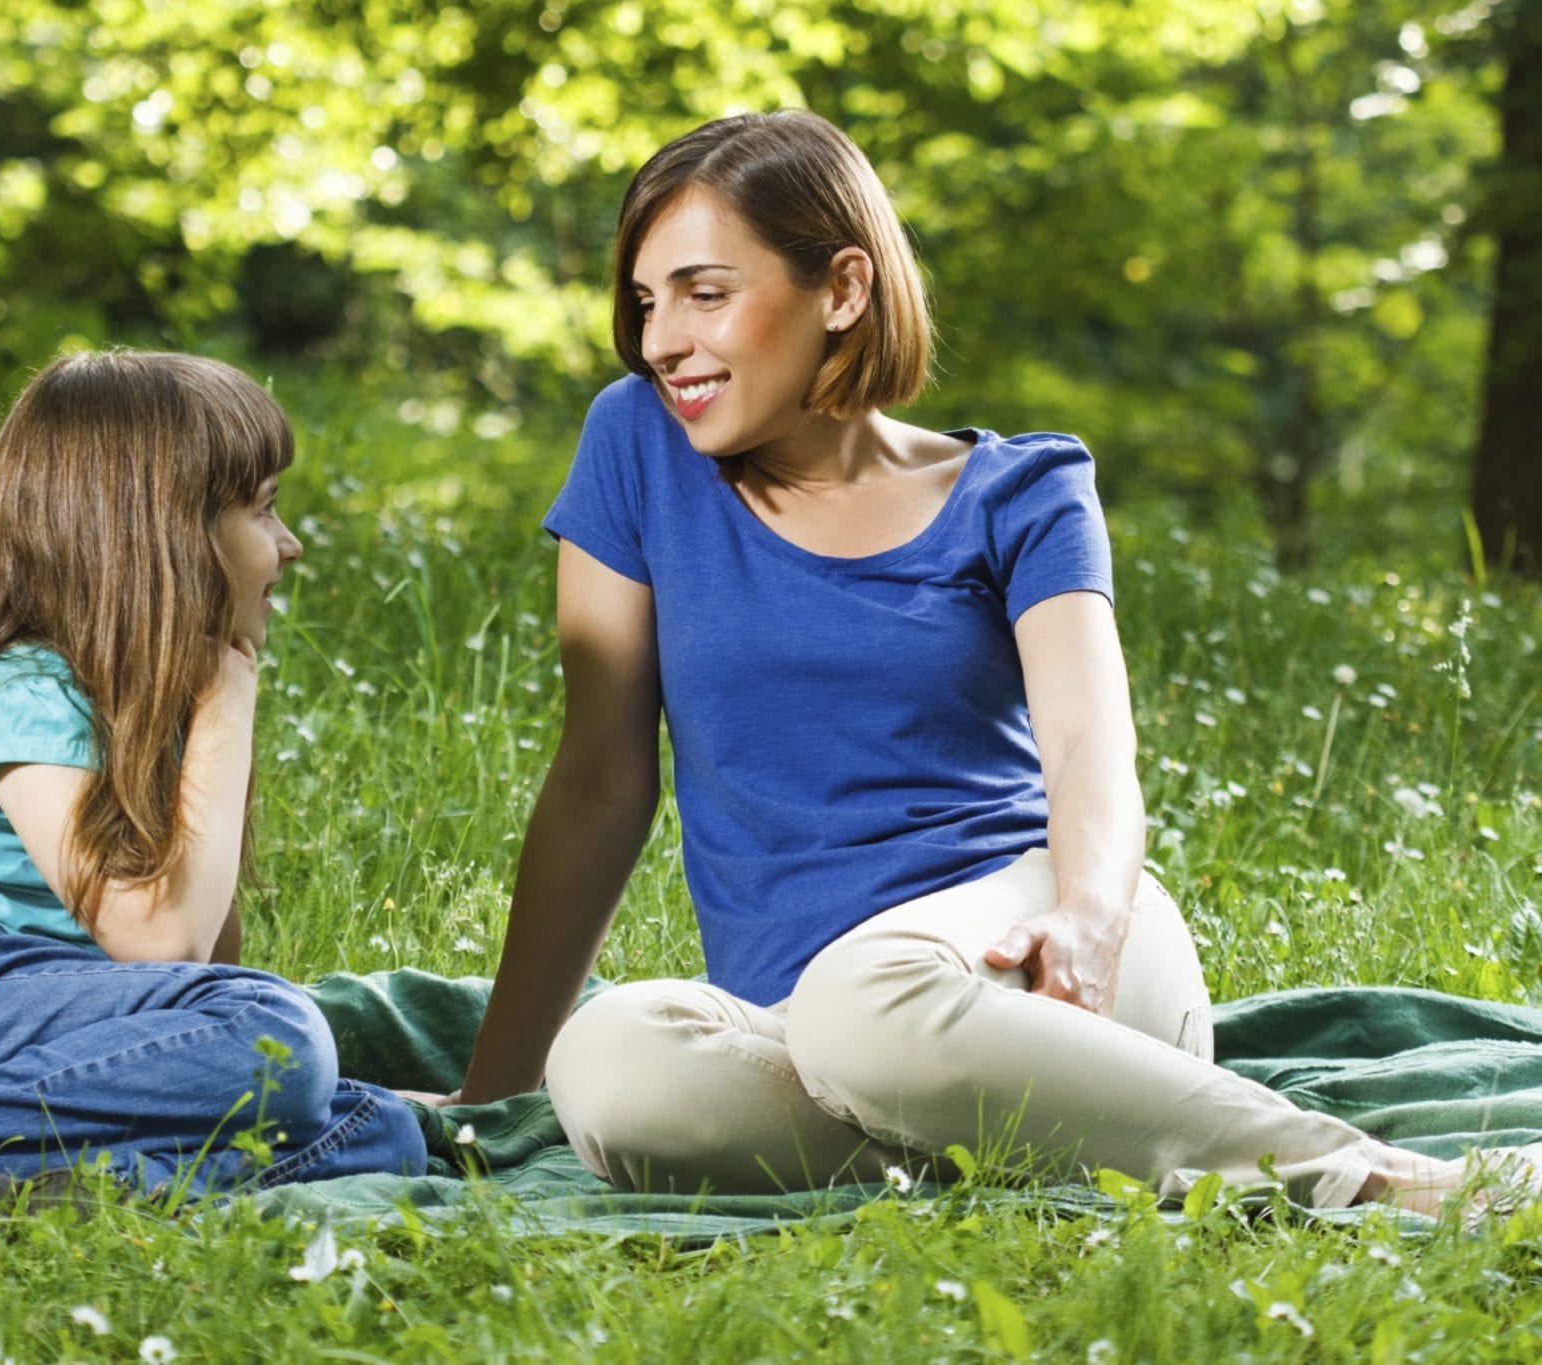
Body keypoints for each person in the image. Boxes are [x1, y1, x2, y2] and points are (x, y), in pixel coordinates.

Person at [449, 110, 1494, 1215]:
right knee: (609, 1064)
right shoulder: (636, 444)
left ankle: (1373, 1177)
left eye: (703, 294)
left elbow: (1090, 751)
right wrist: (492, 1093)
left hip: (1048, 962)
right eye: (647, 302)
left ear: (842, 289)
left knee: (865, 1005)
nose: (660, 338)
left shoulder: (1023, 493)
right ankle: (1042, 1152)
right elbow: (596, 780)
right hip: (821, 1041)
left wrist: (1090, 922)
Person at [0, 350, 427, 1214]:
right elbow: (167, 947)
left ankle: (11, 1185)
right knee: (277, 1030)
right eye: (265, 508)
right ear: (163, 533)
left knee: (379, 1127)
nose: (291, 543)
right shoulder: (32, 688)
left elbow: (199, 965)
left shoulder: (146, 707)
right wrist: (229, 700)